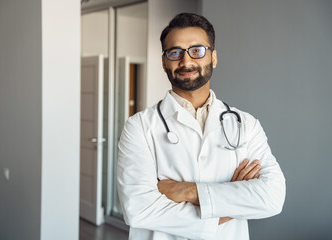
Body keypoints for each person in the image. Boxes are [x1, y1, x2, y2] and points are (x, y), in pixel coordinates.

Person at [117, 12, 285, 240]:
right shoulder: (139, 126)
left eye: (197, 50)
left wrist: (187, 190)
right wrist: (233, 197)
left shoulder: (246, 124)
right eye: (174, 52)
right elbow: (139, 210)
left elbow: (272, 197)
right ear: (164, 61)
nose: (186, 61)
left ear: (213, 57)